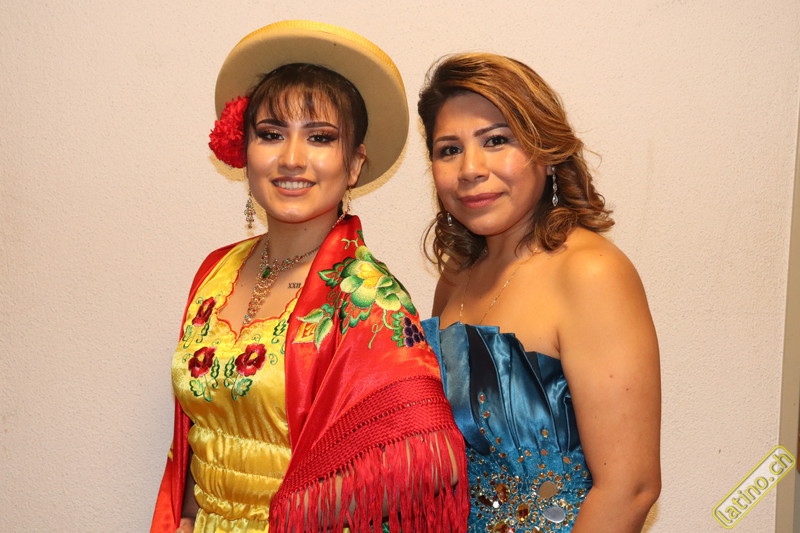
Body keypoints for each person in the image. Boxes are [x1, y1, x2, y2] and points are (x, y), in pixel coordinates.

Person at [151, 21, 467, 533]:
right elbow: (196, 433)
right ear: (245, 151)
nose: (292, 158)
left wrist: (304, 510)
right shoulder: (216, 270)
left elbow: (428, 462)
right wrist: (186, 519)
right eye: (271, 134)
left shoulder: (368, 297)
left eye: (320, 138)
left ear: (355, 164)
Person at [418, 53, 661, 532]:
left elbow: (630, 489)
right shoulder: (457, 276)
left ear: (546, 153)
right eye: (449, 149)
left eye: (496, 140)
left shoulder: (591, 273)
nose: (470, 168)